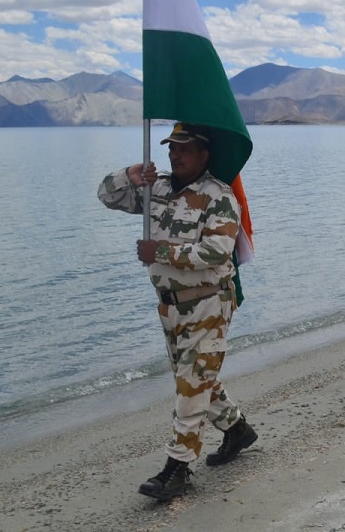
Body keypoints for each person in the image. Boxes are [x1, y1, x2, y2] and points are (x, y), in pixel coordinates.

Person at [97, 122, 257, 501]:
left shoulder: (218, 196)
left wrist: (163, 253)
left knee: (191, 384)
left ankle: (178, 468)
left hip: (209, 302)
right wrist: (129, 176)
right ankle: (236, 429)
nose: (174, 154)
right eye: (172, 147)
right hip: (170, 306)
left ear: (203, 154)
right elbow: (106, 197)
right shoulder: (160, 190)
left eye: (184, 148)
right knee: (197, 378)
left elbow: (217, 251)